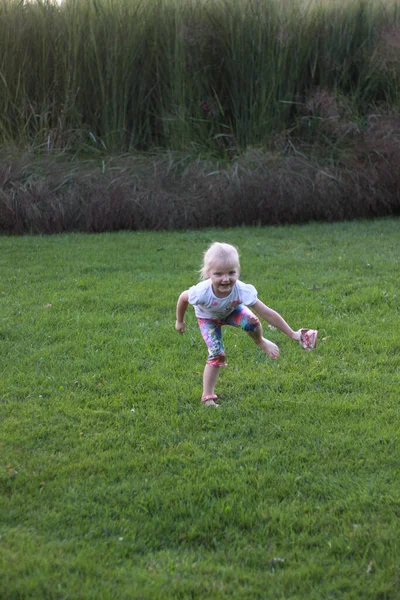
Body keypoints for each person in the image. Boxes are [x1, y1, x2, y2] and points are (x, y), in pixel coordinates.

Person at [175, 242, 317, 407]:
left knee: (252, 323)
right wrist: (179, 320)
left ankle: (261, 341)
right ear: (208, 273)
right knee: (217, 353)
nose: (226, 279)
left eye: (231, 273)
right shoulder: (201, 292)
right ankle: (208, 397)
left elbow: (267, 313)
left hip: (231, 312)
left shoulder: (242, 290)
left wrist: (293, 333)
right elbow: (183, 298)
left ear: (238, 270)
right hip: (208, 319)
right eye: (218, 274)